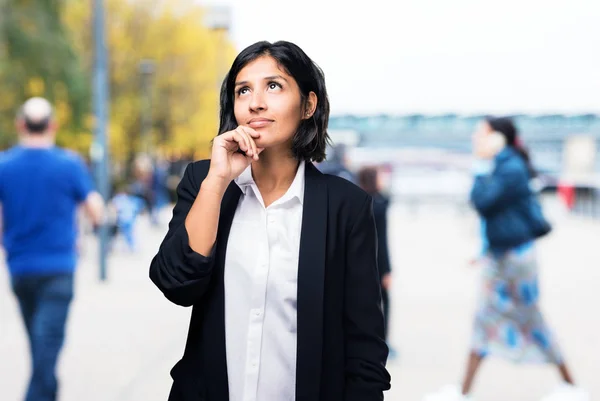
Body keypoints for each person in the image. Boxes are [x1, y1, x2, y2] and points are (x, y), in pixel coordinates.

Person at [149, 40, 391, 401]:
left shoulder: (347, 207)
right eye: (243, 90)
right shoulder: (205, 182)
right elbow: (176, 284)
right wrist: (217, 180)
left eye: (273, 86)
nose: (255, 102)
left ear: (309, 104)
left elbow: (364, 347)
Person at [423, 117, 588, 401]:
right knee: (488, 319)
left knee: (529, 319)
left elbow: (483, 202)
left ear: (498, 138)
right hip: (502, 257)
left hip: (514, 260)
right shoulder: (503, 165)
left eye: (481, 134)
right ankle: (463, 391)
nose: (476, 139)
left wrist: (479, 165)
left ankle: (570, 385)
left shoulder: (509, 167)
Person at [0, 97, 104, 401]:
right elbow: (96, 209)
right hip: (59, 269)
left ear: (21, 125)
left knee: (40, 348)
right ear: (53, 126)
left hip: (20, 269)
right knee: (45, 352)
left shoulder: (4, 165)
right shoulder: (69, 164)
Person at [357, 166, 395, 357]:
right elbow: (382, 240)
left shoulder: (359, 201)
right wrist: (387, 270)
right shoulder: (378, 205)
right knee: (383, 303)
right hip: (377, 263)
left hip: (359, 261)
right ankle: (382, 342)